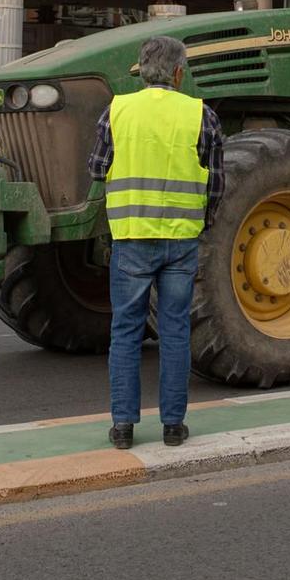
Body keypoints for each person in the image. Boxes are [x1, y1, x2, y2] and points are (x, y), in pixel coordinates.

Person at [89, 35, 223, 449]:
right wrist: (202, 224)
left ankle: (124, 427)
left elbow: (96, 169)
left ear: (141, 70)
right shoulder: (202, 114)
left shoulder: (117, 111)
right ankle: (173, 426)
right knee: (175, 330)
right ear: (179, 73)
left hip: (131, 239)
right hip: (181, 240)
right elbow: (216, 183)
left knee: (126, 331)